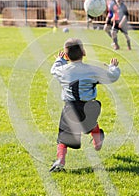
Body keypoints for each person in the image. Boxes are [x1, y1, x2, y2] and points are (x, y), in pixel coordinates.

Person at [50, 38, 121, 172]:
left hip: (70, 108)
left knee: (64, 138)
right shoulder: (92, 70)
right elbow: (112, 77)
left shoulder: (63, 70)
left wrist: (60, 60)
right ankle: (98, 138)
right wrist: (113, 68)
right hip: (90, 107)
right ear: (84, 52)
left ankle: (60, 161)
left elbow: (54, 69)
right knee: (88, 124)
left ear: (66, 56)